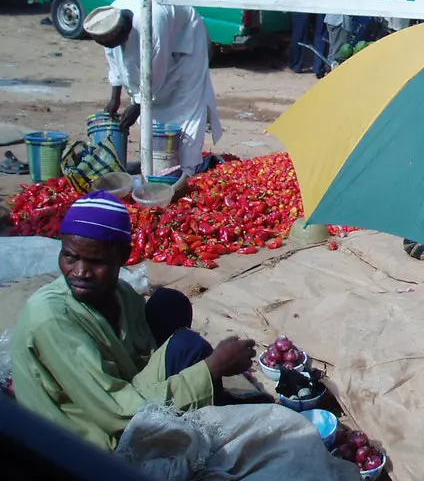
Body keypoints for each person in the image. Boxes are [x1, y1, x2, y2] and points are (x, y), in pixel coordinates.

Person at [11, 191, 259, 450]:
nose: (80, 272)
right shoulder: (52, 318)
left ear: (123, 256)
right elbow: (117, 413)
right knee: (187, 347)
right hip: (89, 436)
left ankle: (208, 398)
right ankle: (215, 406)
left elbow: (142, 355)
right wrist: (211, 369)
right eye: (70, 257)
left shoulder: (121, 294)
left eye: (96, 261)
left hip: (121, 387)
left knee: (169, 304)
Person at [84, 0, 223, 175]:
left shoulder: (152, 22)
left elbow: (155, 71)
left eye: (113, 43)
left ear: (123, 31)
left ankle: (188, 167)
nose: (111, 47)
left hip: (186, 37)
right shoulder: (106, 20)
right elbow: (114, 61)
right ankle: (154, 162)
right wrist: (115, 98)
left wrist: (139, 105)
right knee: (152, 111)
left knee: (187, 101)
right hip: (160, 47)